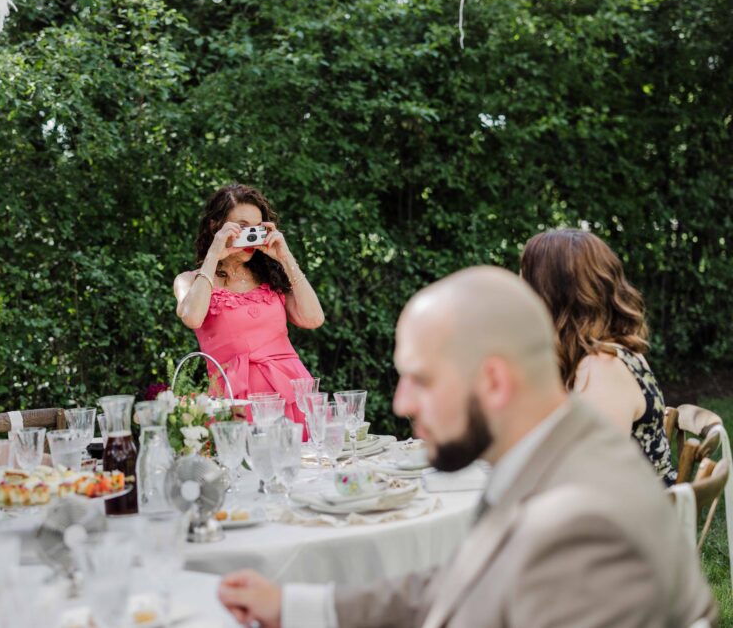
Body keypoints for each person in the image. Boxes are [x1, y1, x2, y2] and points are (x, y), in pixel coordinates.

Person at [218, 267, 714, 628]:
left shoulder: (579, 523)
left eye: (421, 379)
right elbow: (454, 585)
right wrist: (295, 606)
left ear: (493, 381)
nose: (401, 403)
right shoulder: (548, 453)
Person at [520, 229, 677, 485]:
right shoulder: (603, 354)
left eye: (526, 281)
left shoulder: (603, 367)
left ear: (552, 294)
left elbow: (592, 478)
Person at [173, 184, 323, 425]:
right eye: (241, 227)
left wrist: (285, 257)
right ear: (215, 226)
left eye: (256, 228)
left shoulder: (270, 277)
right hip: (234, 402)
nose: (250, 235)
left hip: (293, 396)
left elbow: (313, 318)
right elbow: (192, 317)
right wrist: (213, 255)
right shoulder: (188, 281)